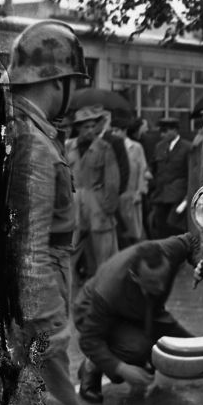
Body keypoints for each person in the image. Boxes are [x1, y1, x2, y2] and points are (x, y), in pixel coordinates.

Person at [1, 19, 90, 405]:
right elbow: (29, 250)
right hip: (40, 298)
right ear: (58, 82)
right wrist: (51, 328)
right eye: (73, 81)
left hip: (28, 296)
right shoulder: (32, 143)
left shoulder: (20, 129)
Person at [73, 234, 202, 404]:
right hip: (92, 310)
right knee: (137, 348)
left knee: (188, 348)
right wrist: (121, 368)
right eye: (153, 282)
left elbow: (192, 239)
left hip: (144, 307)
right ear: (135, 277)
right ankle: (91, 367)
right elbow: (89, 339)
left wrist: (199, 262)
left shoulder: (169, 250)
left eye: (163, 278)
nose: (161, 286)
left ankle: (135, 355)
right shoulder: (109, 291)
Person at [67, 104, 121, 281]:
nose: (90, 130)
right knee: (69, 252)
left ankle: (105, 289)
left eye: (92, 126)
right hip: (73, 205)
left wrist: (109, 208)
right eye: (85, 127)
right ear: (77, 128)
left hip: (97, 204)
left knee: (104, 253)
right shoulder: (68, 147)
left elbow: (112, 181)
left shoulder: (104, 148)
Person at [149, 116, 192, 238]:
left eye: (166, 131)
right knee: (159, 228)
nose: (163, 134)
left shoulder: (187, 147)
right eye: (161, 131)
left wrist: (186, 198)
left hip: (177, 196)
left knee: (175, 229)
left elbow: (191, 174)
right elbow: (153, 167)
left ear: (175, 130)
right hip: (160, 195)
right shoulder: (159, 147)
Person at [110, 117, 148, 246]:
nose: (114, 134)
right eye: (112, 131)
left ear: (124, 131)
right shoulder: (111, 147)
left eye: (117, 131)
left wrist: (139, 191)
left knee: (134, 230)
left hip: (131, 194)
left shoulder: (136, 147)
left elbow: (142, 170)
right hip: (116, 195)